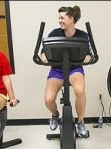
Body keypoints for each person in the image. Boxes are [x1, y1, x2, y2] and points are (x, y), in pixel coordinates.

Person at [40, 6, 92, 137]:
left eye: (62, 18)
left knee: (80, 91)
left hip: (74, 69)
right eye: (59, 18)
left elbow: (90, 53)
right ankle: (55, 115)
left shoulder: (83, 36)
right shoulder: (54, 33)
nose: (59, 20)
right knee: (48, 99)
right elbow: (43, 51)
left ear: (71, 19)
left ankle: (80, 122)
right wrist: (43, 56)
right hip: (57, 70)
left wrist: (88, 57)